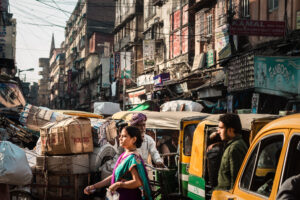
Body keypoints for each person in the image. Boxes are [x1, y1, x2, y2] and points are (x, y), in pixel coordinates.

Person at [84, 126, 152, 200]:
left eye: (124, 136)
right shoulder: (124, 155)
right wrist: (94, 186)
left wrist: (118, 184)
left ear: (134, 139)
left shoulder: (133, 158)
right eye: (120, 136)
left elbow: (138, 182)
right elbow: (114, 175)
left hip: (129, 196)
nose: (120, 138)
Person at [215, 113, 248, 190]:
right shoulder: (233, 145)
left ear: (230, 130)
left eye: (221, 128)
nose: (218, 131)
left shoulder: (234, 148)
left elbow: (235, 179)